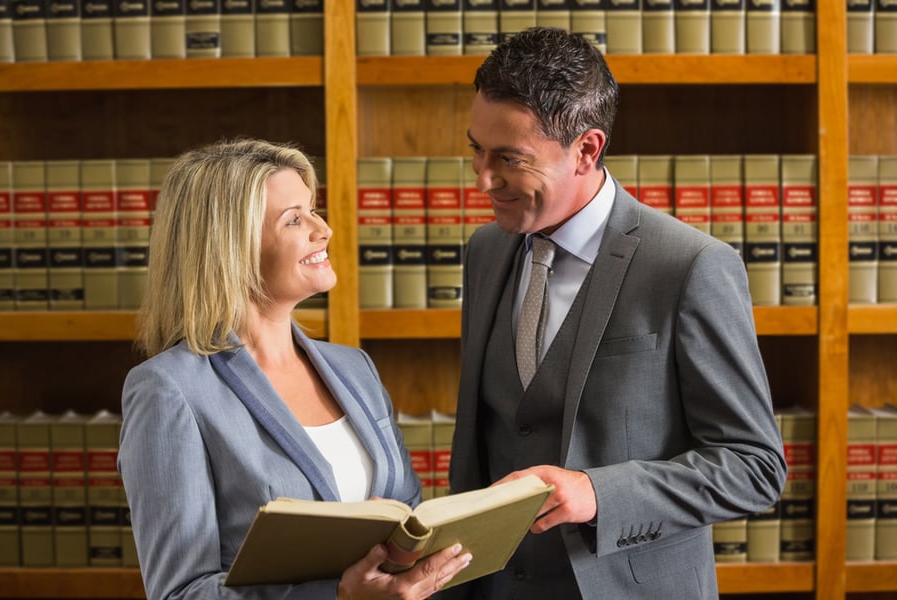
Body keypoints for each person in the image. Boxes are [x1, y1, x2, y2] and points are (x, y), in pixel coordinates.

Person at [447, 27, 788, 599]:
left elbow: (753, 467)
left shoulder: (690, 265)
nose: (483, 179)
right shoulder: (486, 251)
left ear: (587, 150)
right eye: (476, 150)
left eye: (510, 159)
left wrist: (599, 493)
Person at [118, 138, 472, 600]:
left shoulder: (355, 368)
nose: (322, 230)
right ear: (231, 247)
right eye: (294, 219)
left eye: (313, 210)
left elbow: (408, 515)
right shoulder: (169, 389)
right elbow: (180, 593)